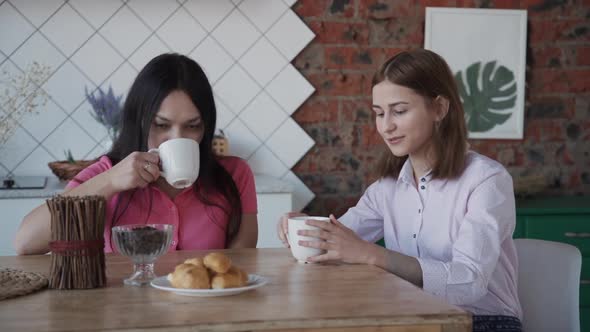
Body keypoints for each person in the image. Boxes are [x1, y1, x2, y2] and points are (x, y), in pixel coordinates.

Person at [277, 49, 522, 332]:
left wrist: (371, 255)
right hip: (412, 318)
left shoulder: (486, 180)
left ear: (440, 109)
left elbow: (469, 281)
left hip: (483, 322)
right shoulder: (387, 188)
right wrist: (300, 228)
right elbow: (336, 243)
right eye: (379, 114)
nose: (386, 126)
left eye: (400, 111)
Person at [15, 53, 258, 254]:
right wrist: (110, 182)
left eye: (192, 125)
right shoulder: (109, 171)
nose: (178, 138)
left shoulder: (234, 174)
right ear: (139, 120)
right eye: (161, 125)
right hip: (123, 311)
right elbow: (26, 243)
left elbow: (241, 259)